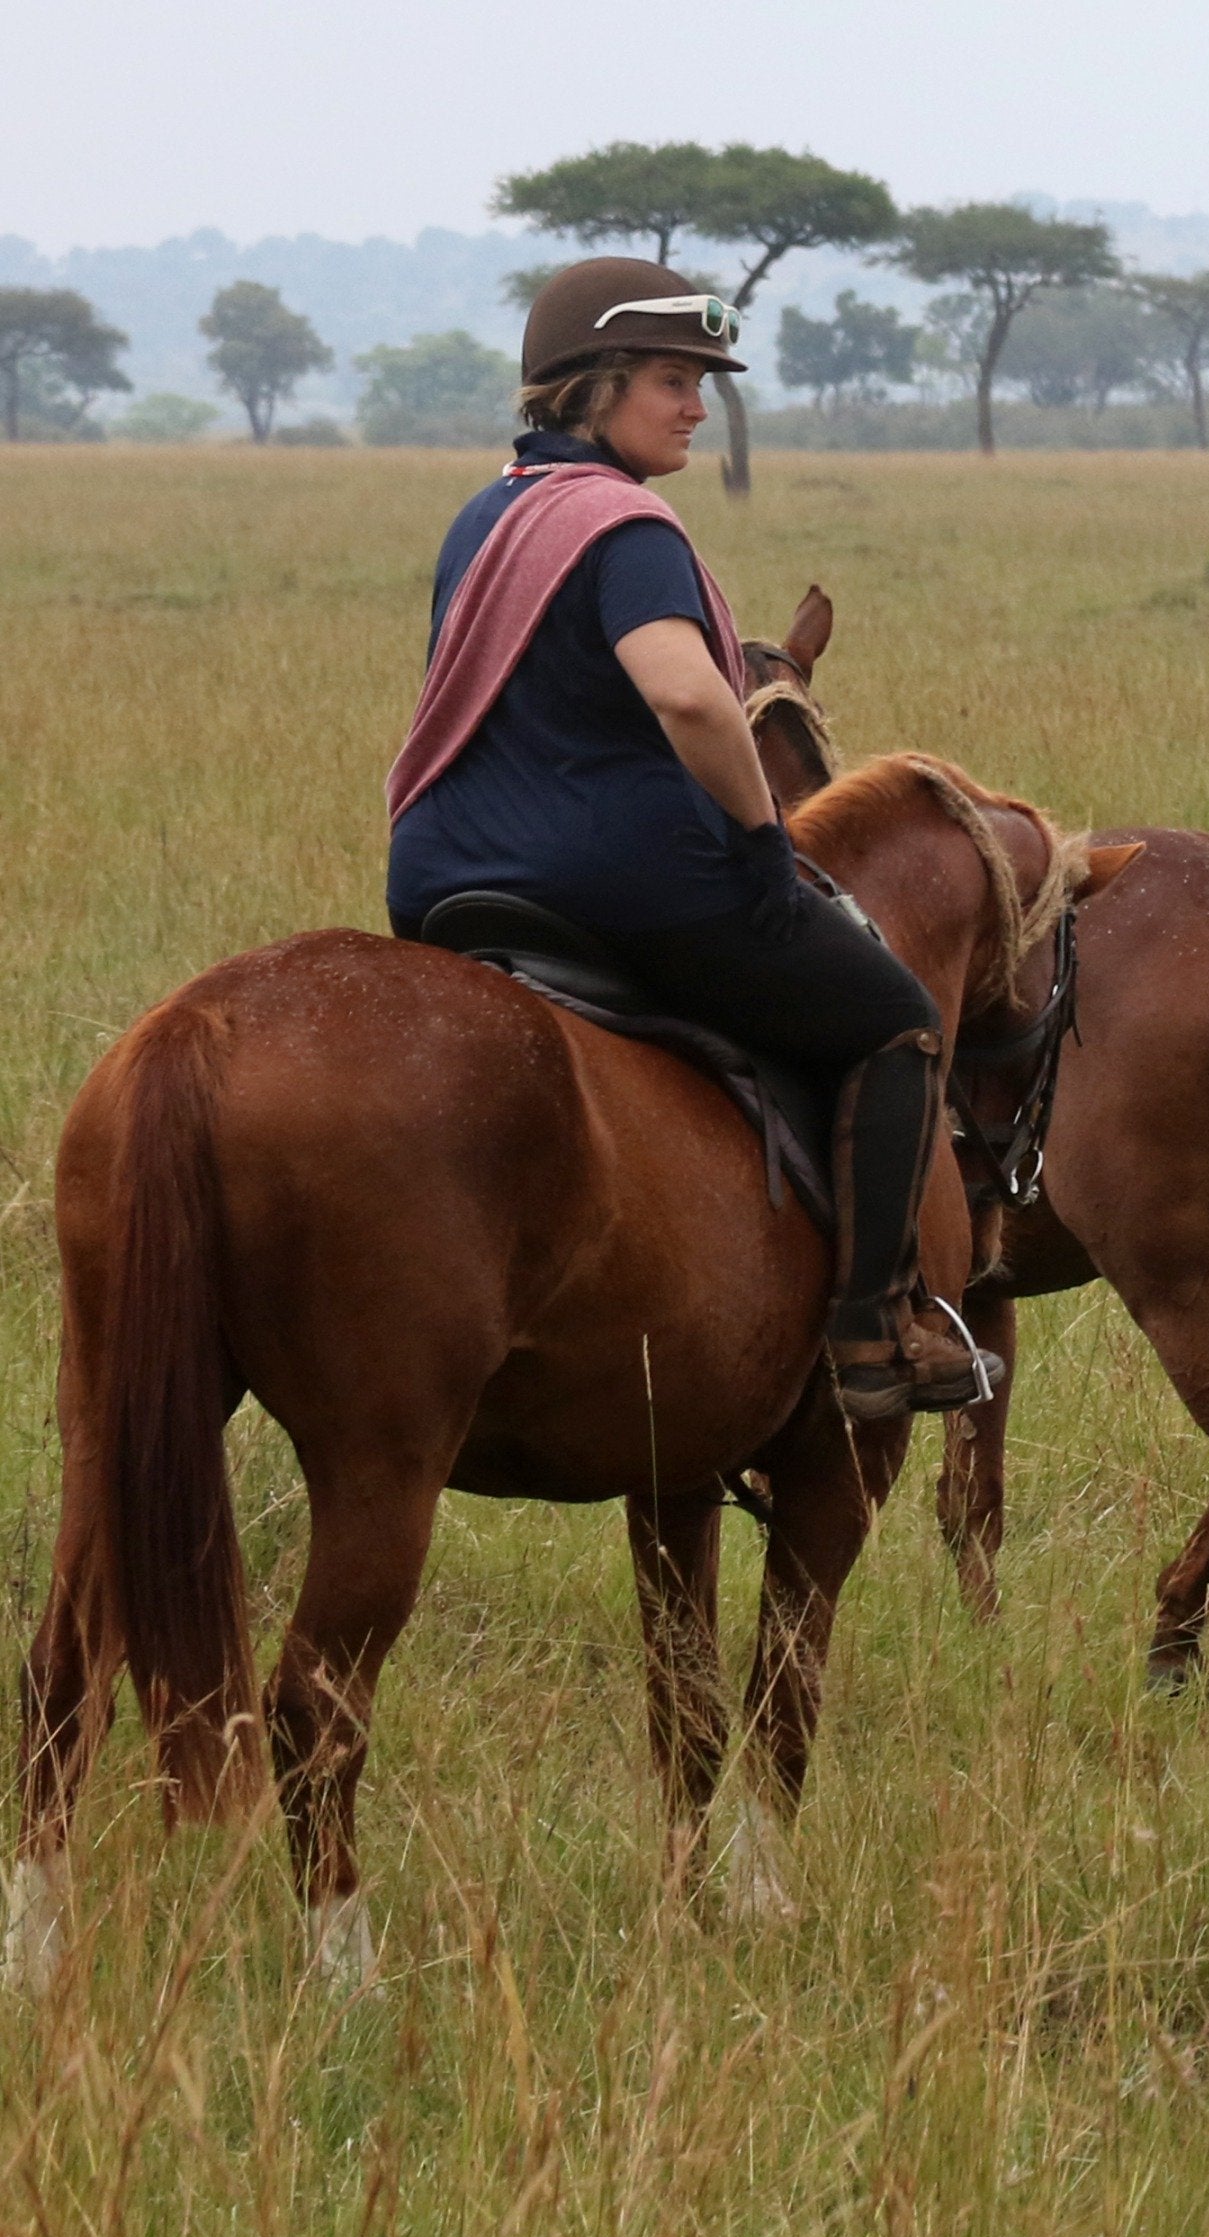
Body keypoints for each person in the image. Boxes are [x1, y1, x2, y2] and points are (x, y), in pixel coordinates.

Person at [385, 257, 995, 1423]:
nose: (695, 406)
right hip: (622, 889)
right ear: (592, 385)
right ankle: (876, 1332)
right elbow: (695, 700)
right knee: (897, 1020)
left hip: (448, 881)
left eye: (699, 382)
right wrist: (763, 840)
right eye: (673, 379)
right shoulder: (627, 526)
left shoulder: (490, 514)